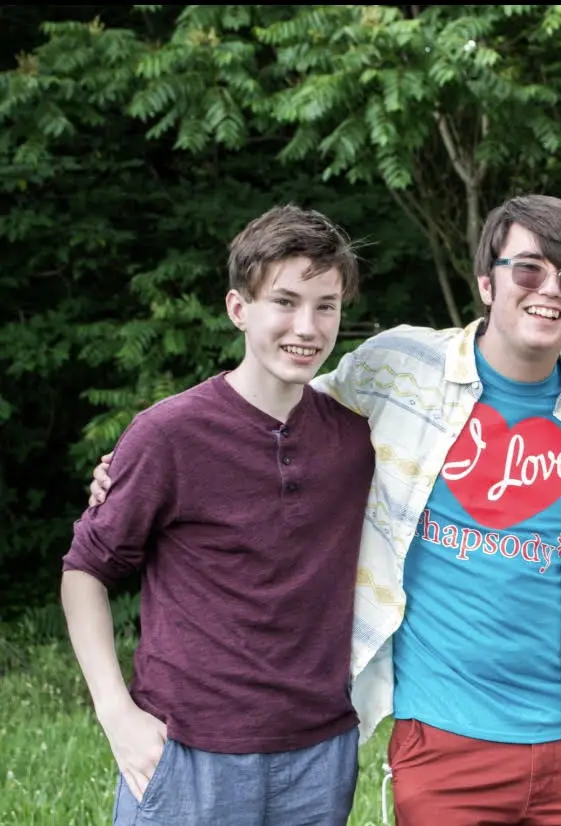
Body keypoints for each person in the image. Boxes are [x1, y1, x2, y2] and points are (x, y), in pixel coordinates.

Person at [89, 195, 561, 825]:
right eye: (528, 270)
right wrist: (125, 466)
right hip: (439, 734)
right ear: (486, 282)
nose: (549, 290)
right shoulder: (401, 368)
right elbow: (276, 409)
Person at [63, 205, 375, 826]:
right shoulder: (168, 434)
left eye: (326, 306)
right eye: (284, 302)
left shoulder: (358, 440)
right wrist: (116, 714)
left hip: (320, 752)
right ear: (239, 309)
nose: (307, 327)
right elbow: (84, 573)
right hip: (187, 751)